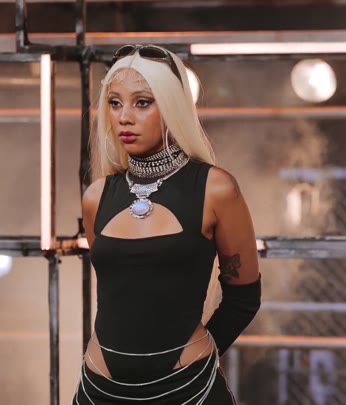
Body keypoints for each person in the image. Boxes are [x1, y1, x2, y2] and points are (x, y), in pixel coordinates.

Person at [73, 44, 262, 404]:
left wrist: (195, 359)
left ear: (172, 105)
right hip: (99, 390)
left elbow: (244, 298)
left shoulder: (215, 189)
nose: (124, 117)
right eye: (115, 103)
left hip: (187, 389)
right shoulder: (97, 196)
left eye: (142, 102)